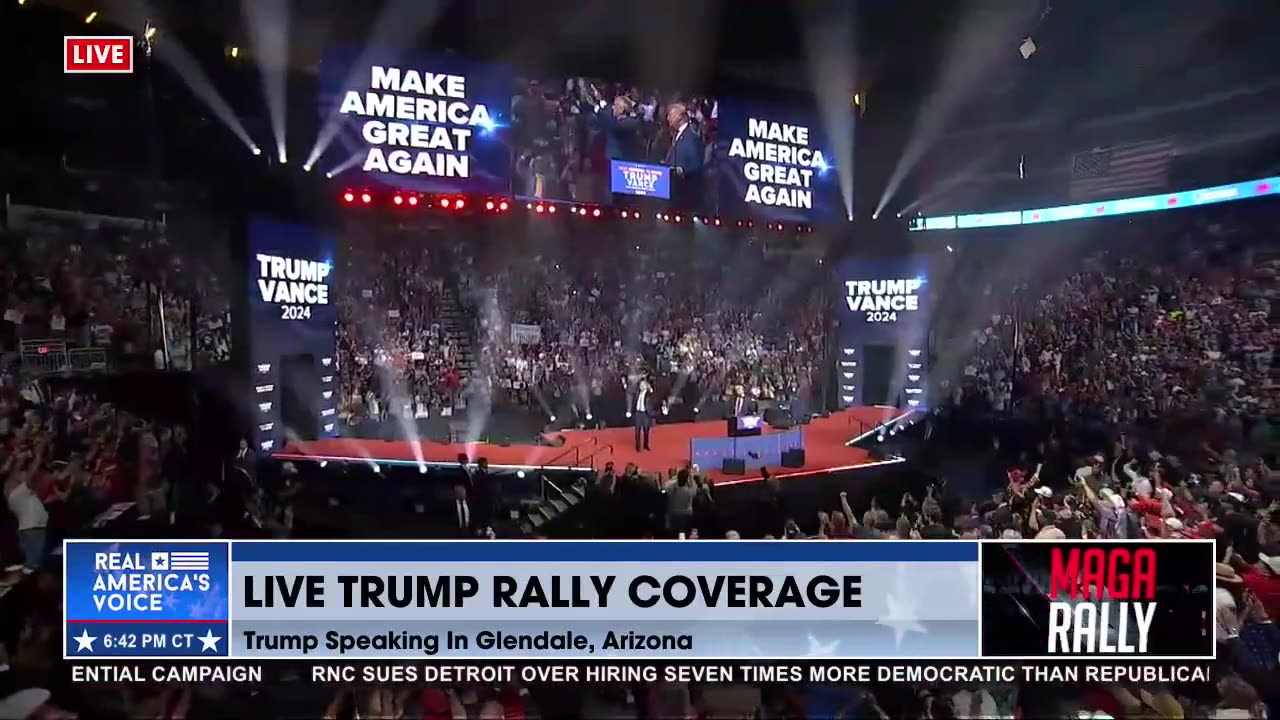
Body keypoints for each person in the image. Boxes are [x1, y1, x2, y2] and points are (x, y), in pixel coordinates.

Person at [662, 103, 704, 212]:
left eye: (670, 115)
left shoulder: (691, 137)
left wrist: (681, 170)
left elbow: (695, 165)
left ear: (680, 117)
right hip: (671, 190)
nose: (668, 118)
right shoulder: (676, 135)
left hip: (684, 193)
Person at [632, 377, 656, 452]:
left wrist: (650, 389)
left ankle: (645, 445)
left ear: (646, 385)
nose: (641, 386)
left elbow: (654, 395)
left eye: (642, 385)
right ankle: (638, 447)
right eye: (640, 385)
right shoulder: (637, 393)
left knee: (646, 430)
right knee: (637, 430)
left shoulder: (649, 393)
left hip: (645, 413)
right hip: (638, 413)